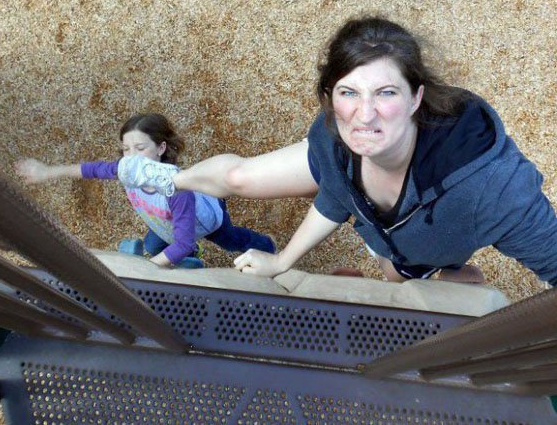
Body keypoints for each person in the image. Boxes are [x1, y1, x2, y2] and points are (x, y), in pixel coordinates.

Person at [116, 17, 557, 286]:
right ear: (329, 98)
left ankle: (460, 278)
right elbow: (336, 193)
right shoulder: (336, 136)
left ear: (417, 97)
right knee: (238, 178)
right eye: (349, 93)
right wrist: (283, 260)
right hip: (385, 230)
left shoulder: (492, 186)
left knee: (412, 280)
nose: (364, 116)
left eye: (385, 92)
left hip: (426, 245)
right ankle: (169, 176)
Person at [16, 113, 276, 269]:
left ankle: (268, 247)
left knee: (231, 240)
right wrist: (46, 171)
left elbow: (183, 243)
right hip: (162, 220)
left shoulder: (176, 190)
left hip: (207, 220)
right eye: (126, 149)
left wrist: (148, 271)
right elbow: (90, 170)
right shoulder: (127, 171)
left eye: (140, 148)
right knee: (153, 243)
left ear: (161, 148)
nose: (131, 157)